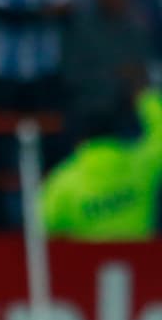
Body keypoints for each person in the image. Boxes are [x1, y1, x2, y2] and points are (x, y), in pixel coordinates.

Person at [41, 88, 162, 241]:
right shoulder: (142, 164)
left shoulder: (63, 181)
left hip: (82, 263)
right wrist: (145, 95)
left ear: (79, 140)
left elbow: (40, 232)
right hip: (145, 261)